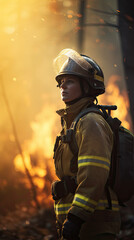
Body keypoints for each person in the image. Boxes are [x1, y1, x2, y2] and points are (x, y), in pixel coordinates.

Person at [51, 49, 121, 240]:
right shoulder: (73, 123)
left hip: (93, 225)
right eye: (61, 83)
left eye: (70, 81)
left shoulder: (90, 122)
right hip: (81, 225)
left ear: (88, 86)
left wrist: (76, 218)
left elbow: (93, 175)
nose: (63, 87)